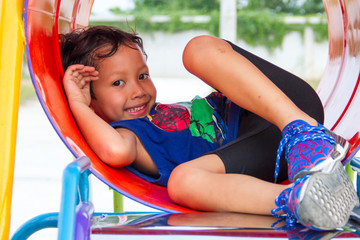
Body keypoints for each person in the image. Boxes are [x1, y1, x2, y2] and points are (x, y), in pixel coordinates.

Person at [61, 25, 358, 230]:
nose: (138, 90)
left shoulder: (150, 117)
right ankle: (302, 199)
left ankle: (305, 134)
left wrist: (292, 121)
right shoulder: (129, 134)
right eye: (117, 83)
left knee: (197, 49)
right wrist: (77, 104)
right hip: (260, 149)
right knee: (182, 182)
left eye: (142, 76)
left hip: (280, 107)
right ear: (91, 100)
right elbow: (113, 150)